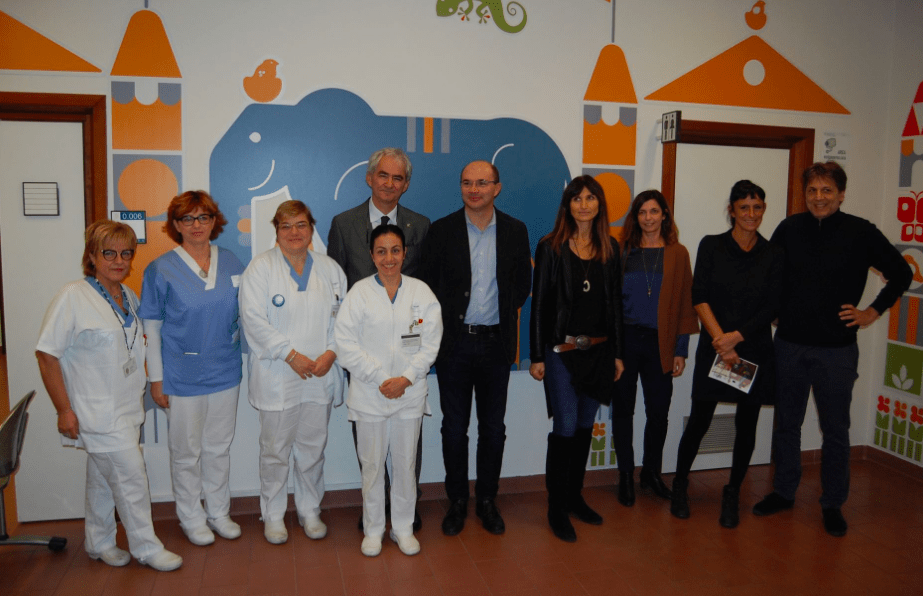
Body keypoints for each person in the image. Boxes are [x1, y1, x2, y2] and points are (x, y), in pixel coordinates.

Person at [753, 162, 912, 537]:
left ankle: (833, 503)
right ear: (805, 194)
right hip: (790, 345)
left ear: (841, 194)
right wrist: (773, 311)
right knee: (787, 424)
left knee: (836, 429)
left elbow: (901, 273)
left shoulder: (861, 231)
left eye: (826, 190)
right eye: (812, 190)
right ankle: (784, 492)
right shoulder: (789, 228)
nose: (819, 197)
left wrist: (871, 312)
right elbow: (769, 274)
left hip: (837, 351)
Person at [36, 220, 182, 572]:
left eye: (126, 253)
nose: (119, 261)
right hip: (96, 412)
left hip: (127, 408)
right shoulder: (73, 296)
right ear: (92, 255)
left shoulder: (128, 296)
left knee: (103, 479)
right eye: (109, 253)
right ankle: (146, 547)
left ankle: (98, 542)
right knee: (131, 479)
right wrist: (63, 410)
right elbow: (46, 354)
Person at [422, 160, 532, 536]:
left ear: (496, 188)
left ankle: (486, 499)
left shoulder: (515, 230)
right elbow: (427, 284)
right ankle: (457, 500)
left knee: (493, 429)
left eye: (482, 183)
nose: (474, 189)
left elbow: (523, 283)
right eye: (467, 182)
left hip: (496, 344)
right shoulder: (442, 230)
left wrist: (503, 311)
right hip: (454, 345)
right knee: (454, 429)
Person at [669, 180, 784, 528]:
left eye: (757, 207)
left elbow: (773, 305)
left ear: (764, 210)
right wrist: (721, 340)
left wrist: (736, 338)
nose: (751, 214)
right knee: (699, 420)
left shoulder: (773, 253)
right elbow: (699, 295)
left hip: (752, 349)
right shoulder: (712, 245)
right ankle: (679, 485)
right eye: (744, 207)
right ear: (732, 210)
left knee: (746, 424)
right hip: (716, 348)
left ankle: (732, 491)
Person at [328, 147, 430, 531]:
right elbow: (336, 288)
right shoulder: (344, 224)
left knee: (409, 433)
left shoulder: (421, 225)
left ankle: (406, 504)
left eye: (397, 178)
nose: (389, 183)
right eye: (383, 175)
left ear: (406, 184)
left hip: (407, 351)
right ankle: (376, 504)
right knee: (368, 433)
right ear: (369, 178)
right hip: (363, 352)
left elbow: (425, 291)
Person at [139, 190, 245, 546]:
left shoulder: (231, 261)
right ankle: (191, 517)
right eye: (187, 218)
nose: (196, 225)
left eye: (203, 217)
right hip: (181, 374)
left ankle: (218, 512)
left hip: (225, 370)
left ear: (214, 221)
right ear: (176, 224)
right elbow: (152, 328)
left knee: (218, 447)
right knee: (186, 453)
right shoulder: (161, 269)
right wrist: (157, 379)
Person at [239, 200, 347, 545]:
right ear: (276, 231)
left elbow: (343, 319)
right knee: (275, 451)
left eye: (301, 225)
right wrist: (290, 355)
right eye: (286, 226)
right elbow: (252, 320)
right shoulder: (260, 268)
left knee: (313, 449)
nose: (294, 232)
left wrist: (332, 352)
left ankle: (309, 509)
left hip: (319, 374)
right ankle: (273, 514)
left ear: (311, 229)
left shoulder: (330, 269)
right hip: (278, 375)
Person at [335, 224, 442, 557]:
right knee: (372, 467)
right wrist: (381, 377)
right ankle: (373, 529)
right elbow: (345, 344)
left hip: (409, 394)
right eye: (381, 251)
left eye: (395, 250)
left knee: (405, 466)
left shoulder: (421, 293)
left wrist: (406, 378)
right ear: (371, 255)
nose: (389, 258)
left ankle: (403, 528)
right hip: (370, 394)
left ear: (405, 253)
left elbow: (431, 343)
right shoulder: (359, 294)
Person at [529, 176, 624, 542]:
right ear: (567, 205)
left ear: (599, 204)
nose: (584, 205)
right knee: (565, 427)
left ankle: (574, 497)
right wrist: (537, 354)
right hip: (561, 353)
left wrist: (618, 354)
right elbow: (540, 306)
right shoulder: (550, 247)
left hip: (600, 352)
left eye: (590, 198)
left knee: (585, 426)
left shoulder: (611, 249)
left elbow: (615, 306)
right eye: (577, 198)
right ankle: (556, 507)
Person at [612, 190, 698, 505]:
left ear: (664, 215)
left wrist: (681, 349)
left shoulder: (678, 253)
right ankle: (625, 474)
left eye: (654, 211)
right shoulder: (622, 250)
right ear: (635, 218)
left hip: (661, 342)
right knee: (623, 410)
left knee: (658, 412)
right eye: (642, 212)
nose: (648, 218)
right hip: (626, 341)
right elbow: (611, 302)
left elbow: (686, 302)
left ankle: (651, 472)